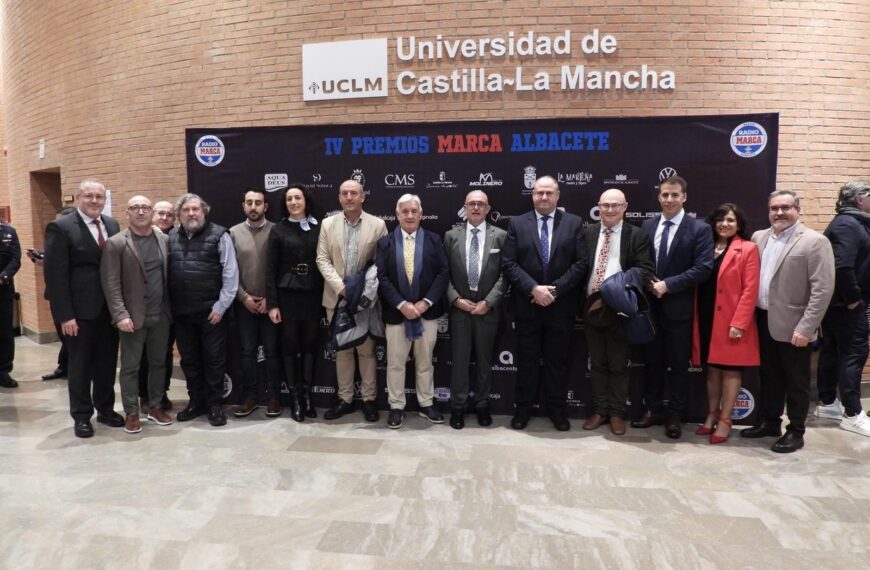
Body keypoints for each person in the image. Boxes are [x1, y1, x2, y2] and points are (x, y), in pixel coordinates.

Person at [742, 190, 834, 453]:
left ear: (797, 209)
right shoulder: (759, 237)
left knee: (797, 382)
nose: (779, 213)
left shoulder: (815, 242)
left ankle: (796, 431)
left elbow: (823, 289)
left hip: (795, 326)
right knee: (768, 377)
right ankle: (770, 422)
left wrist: (806, 327)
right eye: (774, 208)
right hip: (762, 319)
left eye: (785, 207)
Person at [501, 175, 588, 431]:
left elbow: (581, 263)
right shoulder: (518, 223)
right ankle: (523, 410)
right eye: (539, 193)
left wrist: (554, 290)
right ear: (532, 195)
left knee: (557, 362)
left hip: (561, 307)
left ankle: (557, 411)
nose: (544, 197)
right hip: (527, 305)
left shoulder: (573, 223)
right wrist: (533, 289)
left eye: (549, 193)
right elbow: (509, 263)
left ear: (558, 195)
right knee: (527, 362)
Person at [634, 176, 713, 439]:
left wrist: (669, 285)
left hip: (679, 309)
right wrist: (647, 281)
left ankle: (674, 416)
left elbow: (703, 268)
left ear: (684, 198)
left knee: (678, 366)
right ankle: (652, 410)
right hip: (649, 309)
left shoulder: (699, 229)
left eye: (674, 195)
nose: (669, 199)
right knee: (652, 363)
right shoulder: (647, 225)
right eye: (665, 195)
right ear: (658, 196)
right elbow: (638, 262)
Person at [44, 178, 122, 438]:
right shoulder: (61, 227)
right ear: (78, 198)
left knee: (106, 364)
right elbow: (55, 276)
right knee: (79, 366)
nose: (94, 201)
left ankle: (106, 410)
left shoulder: (112, 224)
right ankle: (81, 416)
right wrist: (65, 315)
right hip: (78, 313)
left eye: (99, 197)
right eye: (89, 196)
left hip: (108, 311)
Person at [581, 189, 654, 435]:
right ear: (598, 207)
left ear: (625, 207)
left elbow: (645, 269)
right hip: (592, 309)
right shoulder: (588, 233)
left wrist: (617, 286)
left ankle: (616, 413)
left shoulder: (637, 235)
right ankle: (600, 411)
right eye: (605, 205)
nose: (610, 210)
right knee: (598, 363)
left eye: (615, 205)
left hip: (620, 310)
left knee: (618, 364)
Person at [100, 196, 174, 434]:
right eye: (135, 208)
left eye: (145, 207)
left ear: (152, 212)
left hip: (160, 315)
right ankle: (131, 412)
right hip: (132, 317)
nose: (140, 211)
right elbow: (110, 283)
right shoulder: (116, 243)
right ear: (127, 212)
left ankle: (154, 406)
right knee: (131, 367)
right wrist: (120, 314)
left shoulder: (163, 239)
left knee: (159, 364)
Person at [316, 179, 387, 422]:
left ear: (362, 197)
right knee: (343, 350)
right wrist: (342, 288)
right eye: (344, 193)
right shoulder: (327, 224)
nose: (349, 197)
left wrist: (361, 292)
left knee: (366, 350)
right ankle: (345, 400)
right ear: (339, 198)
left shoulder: (378, 225)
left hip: (366, 300)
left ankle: (369, 400)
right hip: (336, 298)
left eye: (353, 193)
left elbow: (381, 263)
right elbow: (322, 259)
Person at [376, 194, 449, 429]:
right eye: (404, 211)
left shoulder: (434, 240)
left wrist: (425, 302)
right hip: (397, 315)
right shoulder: (385, 242)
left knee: (425, 362)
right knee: (396, 363)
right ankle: (396, 406)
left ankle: (426, 403)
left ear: (421, 213)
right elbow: (382, 277)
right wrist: (402, 305)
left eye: (414, 211)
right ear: (397, 215)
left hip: (426, 314)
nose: (409, 215)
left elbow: (443, 273)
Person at [691, 203, 760, 444]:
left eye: (731, 220)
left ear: (739, 224)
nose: (725, 224)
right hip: (707, 317)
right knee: (712, 369)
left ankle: (726, 420)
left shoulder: (748, 249)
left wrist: (739, 323)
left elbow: (751, 290)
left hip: (731, 321)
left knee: (730, 371)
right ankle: (711, 415)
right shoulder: (706, 247)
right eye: (721, 219)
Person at [168, 193, 238, 427]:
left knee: (214, 361)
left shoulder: (219, 235)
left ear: (204, 212)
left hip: (212, 313)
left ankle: (215, 405)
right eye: (186, 210)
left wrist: (221, 306)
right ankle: (195, 402)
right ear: (179, 214)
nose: (191, 214)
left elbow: (230, 274)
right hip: (182, 313)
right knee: (189, 361)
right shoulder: (170, 237)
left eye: (195, 209)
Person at [443, 190, 506, 429]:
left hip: (487, 309)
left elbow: (505, 275)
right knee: (459, 361)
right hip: (460, 309)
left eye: (481, 204)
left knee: (484, 360)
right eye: (472, 204)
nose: (476, 208)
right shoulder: (451, 236)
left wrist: (489, 301)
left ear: (488, 209)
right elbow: (444, 274)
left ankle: (482, 405)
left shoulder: (500, 236)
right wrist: (456, 299)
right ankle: (457, 407)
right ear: (465, 208)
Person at [815, 180, 870, 437]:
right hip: (846, 305)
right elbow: (841, 266)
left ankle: (827, 403)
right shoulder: (849, 224)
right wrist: (854, 299)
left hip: (838, 305)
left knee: (834, 352)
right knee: (853, 353)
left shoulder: (850, 222)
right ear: (859, 199)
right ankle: (853, 413)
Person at [266, 184, 323, 422]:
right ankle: (295, 399)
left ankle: (307, 394)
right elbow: (270, 269)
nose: (293, 202)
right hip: (287, 294)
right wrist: (273, 304)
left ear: (305, 200)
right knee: (289, 345)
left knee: (309, 344)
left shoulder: (319, 227)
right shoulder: (278, 230)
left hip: (313, 293)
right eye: (289, 199)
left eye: (297, 198)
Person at [230, 189, 282, 418]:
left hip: (271, 305)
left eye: (258, 203)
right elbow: (228, 272)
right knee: (248, 352)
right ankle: (250, 396)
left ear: (265, 206)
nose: (253, 207)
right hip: (244, 305)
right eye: (249, 202)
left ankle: (273, 397)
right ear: (243, 206)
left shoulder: (277, 231)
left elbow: (281, 269)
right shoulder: (232, 233)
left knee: (272, 352)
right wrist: (244, 298)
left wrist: (270, 300)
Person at [138, 200, 177, 411]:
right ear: (153, 215)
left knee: (164, 354)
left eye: (169, 215)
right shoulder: (142, 237)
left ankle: (161, 392)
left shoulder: (177, 239)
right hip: (146, 307)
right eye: (160, 213)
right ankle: (144, 395)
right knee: (144, 354)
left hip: (170, 308)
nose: (164, 217)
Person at [38, 206, 76, 381]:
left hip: (73, 297)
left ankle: (70, 368)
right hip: (55, 295)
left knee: (71, 337)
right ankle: (64, 366)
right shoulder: (56, 235)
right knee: (65, 336)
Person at [0, 219, 21, 388]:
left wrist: (4, 276)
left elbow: (16, 257)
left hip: (3, 288)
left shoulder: (9, 232)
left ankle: (3, 370)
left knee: (5, 330)